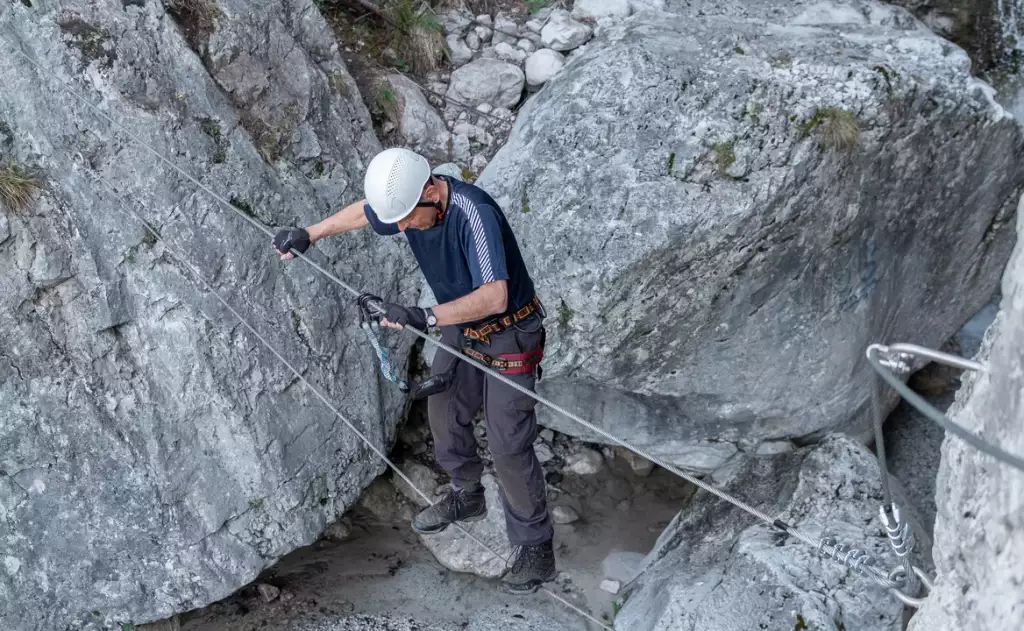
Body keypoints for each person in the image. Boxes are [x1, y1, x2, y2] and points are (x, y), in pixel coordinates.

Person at [272, 148, 555, 594]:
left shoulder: (472, 213)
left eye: (406, 219)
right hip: (462, 324)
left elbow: (496, 295)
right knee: (442, 408)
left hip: (508, 330)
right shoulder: (408, 202)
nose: (402, 228)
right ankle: (467, 493)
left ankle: (537, 548)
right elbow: (366, 213)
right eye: (398, 221)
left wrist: (424, 316)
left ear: (430, 191)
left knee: (507, 442)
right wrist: (312, 233)